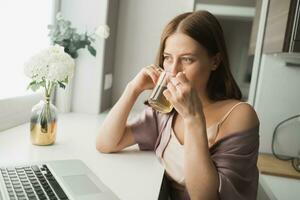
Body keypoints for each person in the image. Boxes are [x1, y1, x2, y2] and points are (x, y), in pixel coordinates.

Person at [96, 10, 260, 200]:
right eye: (168, 58)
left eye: (187, 59)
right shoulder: (165, 112)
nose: (173, 71)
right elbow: (106, 143)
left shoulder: (240, 115)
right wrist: (132, 89)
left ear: (214, 61)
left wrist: (193, 118)